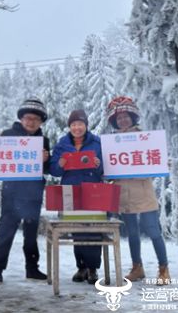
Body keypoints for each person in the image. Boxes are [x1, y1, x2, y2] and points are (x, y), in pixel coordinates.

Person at [106, 96, 171, 285]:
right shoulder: (112, 143)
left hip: (143, 192)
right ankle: (137, 267)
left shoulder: (145, 138)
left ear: (133, 117)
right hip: (124, 194)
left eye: (126, 116)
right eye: (119, 118)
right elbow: (109, 169)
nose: (123, 120)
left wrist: (161, 163)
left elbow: (155, 160)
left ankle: (163, 268)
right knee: (132, 234)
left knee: (153, 231)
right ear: (115, 121)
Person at [0, 98, 51, 285]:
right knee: (6, 231)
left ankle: (32, 269)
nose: (31, 122)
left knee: (31, 233)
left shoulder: (43, 140)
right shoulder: (8, 135)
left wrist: (46, 159)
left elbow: (47, 169)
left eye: (35, 119)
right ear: (21, 119)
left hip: (33, 193)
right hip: (12, 192)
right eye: (28, 118)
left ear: (40, 122)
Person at [50, 109, 103, 285]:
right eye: (73, 124)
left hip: (93, 190)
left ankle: (93, 269)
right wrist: (60, 164)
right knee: (77, 230)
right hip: (70, 191)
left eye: (80, 124)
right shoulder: (62, 144)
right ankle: (81, 267)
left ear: (86, 126)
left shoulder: (97, 142)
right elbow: (54, 171)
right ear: (69, 126)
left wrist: (98, 165)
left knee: (94, 229)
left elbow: (106, 168)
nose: (77, 127)